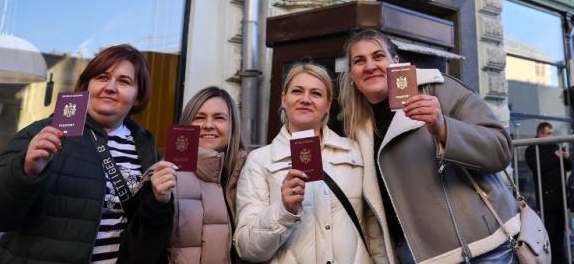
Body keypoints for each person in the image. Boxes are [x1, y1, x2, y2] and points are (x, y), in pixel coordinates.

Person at [338, 29, 520, 264]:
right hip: (416, 257)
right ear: (352, 73)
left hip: (481, 249)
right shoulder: (354, 125)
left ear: (396, 62)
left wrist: (444, 128)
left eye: (378, 56)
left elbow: (500, 149)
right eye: (359, 61)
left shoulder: (440, 88)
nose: (370, 66)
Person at [0, 44, 159, 264]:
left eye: (124, 81)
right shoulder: (42, 133)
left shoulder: (146, 146)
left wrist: (161, 201)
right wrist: (25, 171)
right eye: (102, 77)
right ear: (86, 86)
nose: (110, 87)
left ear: (138, 96)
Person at [234, 63, 373, 263]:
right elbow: (247, 249)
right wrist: (284, 209)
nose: (305, 99)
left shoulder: (355, 152)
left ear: (328, 105)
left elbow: (375, 229)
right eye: (297, 91)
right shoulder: (259, 160)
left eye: (316, 93)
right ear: (283, 99)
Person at [117, 86, 247, 264]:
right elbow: (136, 255)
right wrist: (157, 203)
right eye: (199, 117)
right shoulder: (162, 176)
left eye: (219, 118)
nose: (208, 125)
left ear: (233, 126)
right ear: (186, 124)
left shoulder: (249, 173)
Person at [525, 121, 570, 263]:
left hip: (560, 199)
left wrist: (566, 157)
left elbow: (569, 166)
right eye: (549, 133)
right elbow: (538, 166)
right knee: (548, 235)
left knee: (559, 235)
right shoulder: (532, 149)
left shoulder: (555, 146)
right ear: (540, 134)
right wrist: (556, 157)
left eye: (552, 133)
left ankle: (560, 260)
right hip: (546, 201)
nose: (552, 136)